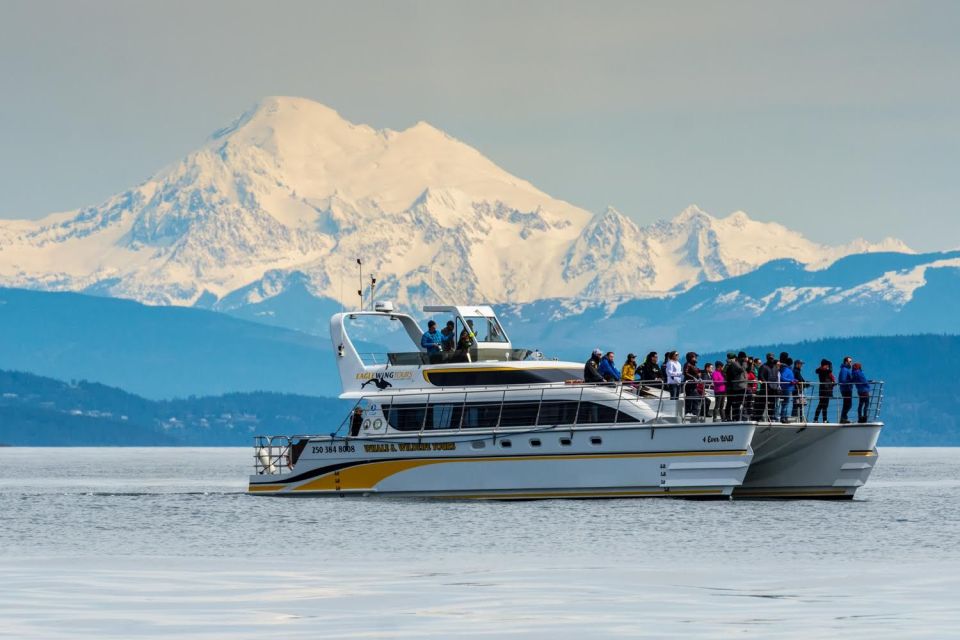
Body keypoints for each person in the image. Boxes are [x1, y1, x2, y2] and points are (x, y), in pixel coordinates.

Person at [757, 353, 780, 421]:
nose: (771, 359)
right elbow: (760, 376)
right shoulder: (763, 366)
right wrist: (766, 384)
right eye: (770, 358)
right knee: (762, 404)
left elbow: (776, 377)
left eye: (772, 358)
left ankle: (771, 417)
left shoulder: (775, 367)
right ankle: (758, 417)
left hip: (773, 389)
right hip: (765, 389)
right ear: (767, 358)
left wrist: (776, 386)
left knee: (772, 404)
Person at [724, 352, 746, 421]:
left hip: (732, 386)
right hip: (730, 386)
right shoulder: (729, 365)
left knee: (733, 402)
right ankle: (728, 416)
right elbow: (729, 374)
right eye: (734, 358)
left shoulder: (729, 365)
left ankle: (733, 416)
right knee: (730, 402)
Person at [683, 352, 703, 418]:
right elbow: (685, 373)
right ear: (690, 357)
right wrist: (693, 378)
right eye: (694, 357)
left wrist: (699, 378)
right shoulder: (687, 364)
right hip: (689, 385)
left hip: (694, 385)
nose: (696, 358)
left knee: (695, 398)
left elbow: (696, 373)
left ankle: (694, 413)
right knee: (690, 398)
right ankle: (688, 412)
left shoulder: (694, 365)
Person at [778, 358, 796, 423]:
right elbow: (782, 378)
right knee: (785, 404)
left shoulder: (787, 369)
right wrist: (791, 381)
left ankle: (784, 417)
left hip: (788, 388)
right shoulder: (786, 369)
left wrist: (794, 380)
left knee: (786, 404)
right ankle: (783, 418)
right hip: (786, 388)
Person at [838, 356, 854, 424]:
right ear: (846, 362)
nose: (851, 363)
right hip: (846, 389)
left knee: (847, 404)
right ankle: (843, 418)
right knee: (848, 404)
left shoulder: (846, 369)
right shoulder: (844, 369)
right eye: (850, 361)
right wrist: (851, 381)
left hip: (847, 389)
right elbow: (842, 380)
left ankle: (844, 418)